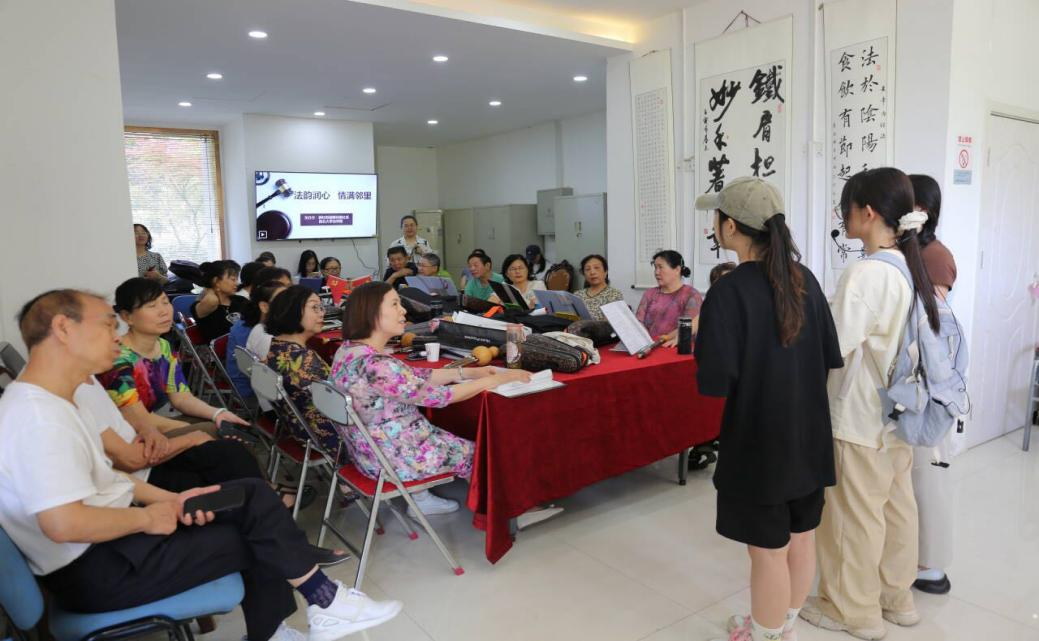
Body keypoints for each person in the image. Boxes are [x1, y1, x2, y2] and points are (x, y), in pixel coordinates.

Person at [0, 290, 401, 641]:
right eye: (107, 324)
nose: (116, 335)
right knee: (253, 534)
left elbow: (111, 478)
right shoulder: (38, 418)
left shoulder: (56, 400)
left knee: (250, 495)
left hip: (109, 544)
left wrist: (172, 500)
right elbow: (63, 524)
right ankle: (316, 607)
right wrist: (148, 518)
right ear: (63, 328)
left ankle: (319, 605)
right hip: (98, 568)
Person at [693, 177, 843, 641]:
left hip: (759, 441)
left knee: (767, 551)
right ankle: (783, 627)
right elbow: (829, 357)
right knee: (801, 537)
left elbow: (715, 382)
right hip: (809, 434)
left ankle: (767, 634)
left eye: (716, 217)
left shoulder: (728, 292)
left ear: (730, 226)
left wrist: (702, 336)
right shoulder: (805, 280)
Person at [800, 168, 940, 639]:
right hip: (901, 414)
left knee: (852, 518)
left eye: (846, 207)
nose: (842, 215)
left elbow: (832, 347)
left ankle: (852, 610)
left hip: (860, 416)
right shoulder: (909, 265)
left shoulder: (867, 272)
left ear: (868, 212)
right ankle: (896, 600)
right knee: (896, 510)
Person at [329, 282, 530, 515]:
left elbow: (415, 376)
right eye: (394, 304)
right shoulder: (377, 365)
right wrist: (496, 380)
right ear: (371, 313)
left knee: (456, 434)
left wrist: (467, 373)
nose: (403, 310)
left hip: (367, 454)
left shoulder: (348, 351)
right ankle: (505, 513)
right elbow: (440, 397)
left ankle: (423, 500)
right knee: (481, 452)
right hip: (395, 459)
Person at [100, 278, 253, 442]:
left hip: (155, 424)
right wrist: (194, 431)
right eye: (151, 306)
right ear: (127, 317)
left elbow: (182, 398)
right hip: (131, 437)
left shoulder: (163, 346)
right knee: (216, 434)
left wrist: (218, 413)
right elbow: (139, 420)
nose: (164, 311)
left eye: (165, 302)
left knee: (225, 427)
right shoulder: (118, 358)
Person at [907, 173, 958, 596]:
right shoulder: (909, 252)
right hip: (910, 381)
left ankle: (929, 565)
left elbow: (934, 326)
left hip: (929, 383)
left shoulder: (935, 256)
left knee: (927, 476)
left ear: (921, 210)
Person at [263, 286, 340, 454]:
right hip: (331, 437)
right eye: (314, 307)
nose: (322, 313)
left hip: (300, 430)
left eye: (321, 307)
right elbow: (341, 403)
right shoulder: (302, 359)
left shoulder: (277, 348)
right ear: (292, 311)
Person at [227, 281, 287, 398]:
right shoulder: (267, 338)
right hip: (268, 396)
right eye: (283, 301)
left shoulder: (260, 327)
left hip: (265, 392)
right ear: (264, 306)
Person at [635, 250, 704, 347]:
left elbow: (688, 327)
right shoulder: (649, 294)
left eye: (660, 267)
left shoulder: (691, 295)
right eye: (655, 268)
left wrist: (663, 339)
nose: (656, 272)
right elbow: (638, 322)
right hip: (648, 346)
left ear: (677, 269)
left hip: (675, 348)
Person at [192, 260, 249, 342]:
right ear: (216, 281)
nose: (237, 283)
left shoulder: (240, 300)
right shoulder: (204, 305)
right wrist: (211, 286)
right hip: (221, 349)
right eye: (233, 279)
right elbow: (212, 300)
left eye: (237, 279)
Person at [574, 254, 624, 321]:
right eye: (587, 269)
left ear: (605, 272)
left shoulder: (614, 294)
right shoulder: (577, 295)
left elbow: (609, 322)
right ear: (584, 275)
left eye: (596, 268)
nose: (592, 272)